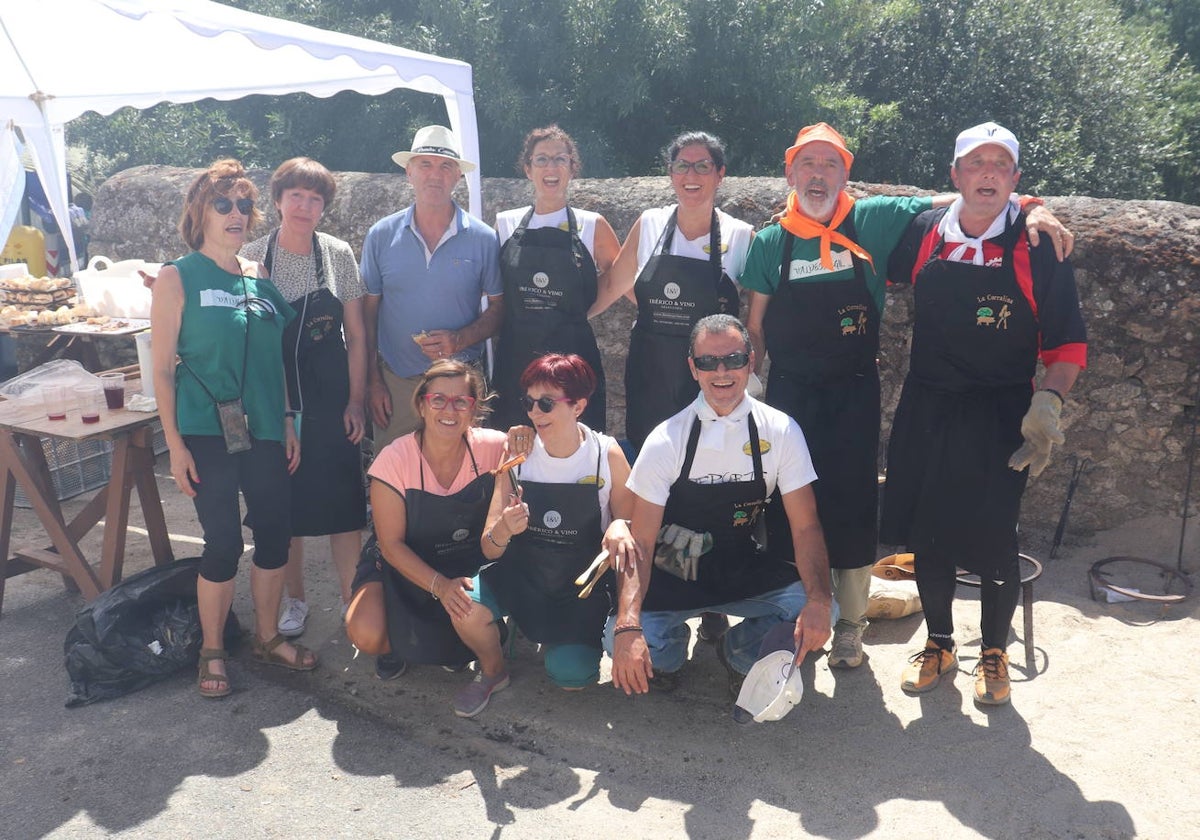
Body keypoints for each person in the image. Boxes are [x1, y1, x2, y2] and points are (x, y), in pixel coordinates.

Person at [742, 123, 1074, 671]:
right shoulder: (771, 240)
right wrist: (751, 384)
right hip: (791, 394)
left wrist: (1030, 204)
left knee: (851, 505)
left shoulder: (874, 218)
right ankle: (790, 616)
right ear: (790, 172)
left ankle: (851, 625)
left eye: (830, 164)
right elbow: (755, 326)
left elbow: (963, 196)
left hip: (855, 390)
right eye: (808, 164)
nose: (818, 174)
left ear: (847, 174)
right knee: (788, 504)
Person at [880, 122, 1087, 706]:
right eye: (976, 163)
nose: (988, 173)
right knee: (928, 531)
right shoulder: (925, 230)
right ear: (955, 175)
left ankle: (992, 651)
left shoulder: (1038, 244)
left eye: (1001, 165)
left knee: (995, 535)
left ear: (1016, 178)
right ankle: (940, 642)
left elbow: (1068, 343)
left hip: (1001, 410)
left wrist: (1048, 402)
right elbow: (859, 231)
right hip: (928, 403)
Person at [608, 314, 834, 711]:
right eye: (709, 362)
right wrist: (629, 626)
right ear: (693, 368)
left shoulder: (780, 431)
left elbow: (806, 527)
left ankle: (740, 652)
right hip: (674, 573)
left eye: (732, 359)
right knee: (616, 637)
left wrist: (817, 600)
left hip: (742, 568)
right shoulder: (666, 439)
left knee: (823, 607)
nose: (722, 372)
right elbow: (641, 542)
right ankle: (671, 651)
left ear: (751, 361)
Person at [150, 158, 315, 699]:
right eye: (224, 204)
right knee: (222, 542)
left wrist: (289, 420)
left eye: (245, 204)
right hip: (205, 431)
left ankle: (267, 636)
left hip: (266, 428)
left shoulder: (258, 275)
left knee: (273, 532)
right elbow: (162, 370)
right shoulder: (177, 276)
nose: (237, 213)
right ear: (199, 212)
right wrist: (174, 446)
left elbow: (277, 362)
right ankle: (213, 649)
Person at [450, 354, 638, 717]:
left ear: (579, 405)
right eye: (528, 402)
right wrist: (504, 528)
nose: (535, 412)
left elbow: (633, 528)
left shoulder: (606, 454)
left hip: (578, 589)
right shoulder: (517, 453)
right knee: (464, 607)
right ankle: (492, 671)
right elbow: (489, 546)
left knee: (572, 677)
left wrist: (620, 524)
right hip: (523, 575)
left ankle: (565, 642)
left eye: (547, 402)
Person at [241, 157, 368, 638]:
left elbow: (355, 335)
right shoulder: (252, 257)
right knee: (284, 506)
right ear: (277, 200)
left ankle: (353, 599)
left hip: (331, 396)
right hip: (274, 395)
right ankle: (294, 601)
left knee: (344, 505)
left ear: (324, 208)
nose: (304, 206)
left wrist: (355, 401)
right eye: (295, 195)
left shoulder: (337, 254)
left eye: (315, 199)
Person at [343, 359, 508, 695]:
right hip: (400, 563)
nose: (450, 410)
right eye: (438, 400)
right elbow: (391, 545)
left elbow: (540, 443)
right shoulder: (394, 458)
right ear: (421, 404)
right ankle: (393, 647)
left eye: (461, 401)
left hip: (463, 561)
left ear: (474, 409)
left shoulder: (493, 447)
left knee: (465, 612)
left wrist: (525, 435)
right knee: (366, 632)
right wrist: (441, 587)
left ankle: (456, 645)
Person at [591, 131, 755, 453]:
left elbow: (757, 317)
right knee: (649, 461)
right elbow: (613, 286)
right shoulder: (650, 223)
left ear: (720, 175)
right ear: (671, 173)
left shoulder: (741, 236)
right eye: (682, 166)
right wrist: (567, 319)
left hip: (710, 380)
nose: (690, 175)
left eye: (702, 167)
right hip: (650, 374)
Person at [361, 125, 503, 452]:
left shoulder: (482, 238)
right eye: (425, 164)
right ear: (409, 172)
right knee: (394, 483)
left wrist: (460, 339)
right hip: (396, 383)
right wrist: (373, 382)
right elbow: (366, 315)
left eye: (445, 166)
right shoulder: (381, 235)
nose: (434, 175)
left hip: (459, 385)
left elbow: (499, 309)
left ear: (457, 177)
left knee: (462, 485)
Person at [490, 126, 621, 432]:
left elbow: (620, 282)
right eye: (541, 159)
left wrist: (585, 310)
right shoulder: (506, 223)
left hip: (573, 364)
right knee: (513, 453)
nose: (551, 168)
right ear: (528, 169)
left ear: (572, 168)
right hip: (515, 360)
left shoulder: (592, 225)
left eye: (560, 159)